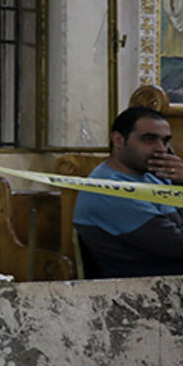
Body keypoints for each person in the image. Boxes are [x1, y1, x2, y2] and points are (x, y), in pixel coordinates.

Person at [72, 106, 183, 277]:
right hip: (146, 285)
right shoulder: (109, 190)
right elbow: (177, 245)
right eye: (149, 139)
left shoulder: (156, 176)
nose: (161, 149)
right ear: (118, 140)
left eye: (165, 141)